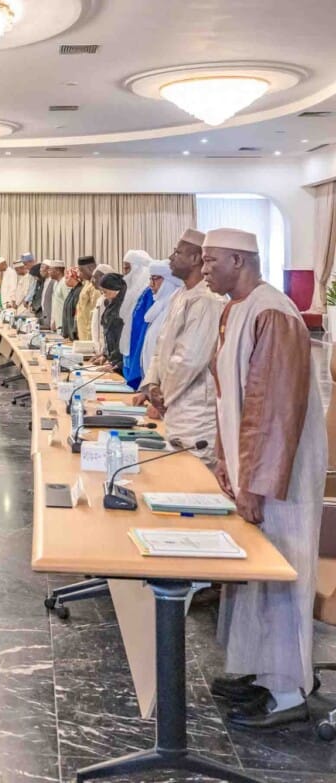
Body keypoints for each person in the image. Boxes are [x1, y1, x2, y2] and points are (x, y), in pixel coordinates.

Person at [201, 227, 326, 730]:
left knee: (281, 574)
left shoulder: (273, 312)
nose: (204, 270)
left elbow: (272, 410)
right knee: (253, 576)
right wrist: (226, 461)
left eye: (211, 261)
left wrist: (254, 482)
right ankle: (262, 671)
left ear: (239, 260)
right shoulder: (236, 309)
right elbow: (229, 396)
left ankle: (289, 691)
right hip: (252, 467)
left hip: (279, 476)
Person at [136, 229, 223, 467]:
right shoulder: (179, 296)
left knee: (194, 478)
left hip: (196, 414)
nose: (171, 257)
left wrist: (162, 396)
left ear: (195, 259)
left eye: (177, 253)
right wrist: (152, 385)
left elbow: (189, 360)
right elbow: (160, 347)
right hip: (174, 407)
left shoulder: (207, 299)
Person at [136, 260, 183, 380]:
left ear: (169, 281)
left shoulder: (175, 309)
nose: (150, 285)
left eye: (155, 279)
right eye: (150, 279)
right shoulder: (159, 307)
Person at [118, 250, 152, 376]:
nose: (124, 273)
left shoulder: (148, 293)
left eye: (128, 268)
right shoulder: (131, 291)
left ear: (138, 269)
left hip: (139, 346)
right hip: (129, 347)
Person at [93, 273, 126, 369]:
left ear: (115, 290)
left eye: (105, 292)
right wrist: (105, 355)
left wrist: (115, 363)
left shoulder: (123, 308)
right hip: (113, 361)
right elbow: (109, 334)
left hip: (121, 362)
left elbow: (121, 340)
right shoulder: (112, 305)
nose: (104, 295)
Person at [74, 256, 100, 344]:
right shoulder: (87, 283)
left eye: (81, 270)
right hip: (83, 334)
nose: (79, 274)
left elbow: (94, 314)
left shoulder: (96, 286)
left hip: (90, 337)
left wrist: (90, 337)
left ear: (91, 268)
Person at [60, 268, 82, 340]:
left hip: (74, 333)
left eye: (67, 278)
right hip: (69, 333)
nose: (65, 281)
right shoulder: (73, 291)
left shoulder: (79, 291)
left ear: (74, 278)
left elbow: (77, 312)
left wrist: (74, 332)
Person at [43, 260, 66, 329]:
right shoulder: (55, 283)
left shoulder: (64, 283)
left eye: (50, 269)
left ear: (58, 271)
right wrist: (54, 321)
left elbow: (67, 304)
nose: (48, 272)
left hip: (63, 323)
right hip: (56, 322)